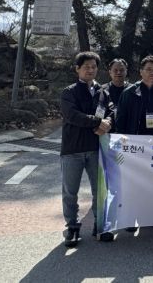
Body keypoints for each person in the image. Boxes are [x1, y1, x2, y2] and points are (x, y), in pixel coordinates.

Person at [60, 51, 114, 246]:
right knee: (70, 192)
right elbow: (72, 115)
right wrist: (99, 122)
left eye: (93, 67)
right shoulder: (69, 92)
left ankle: (100, 226)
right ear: (77, 69)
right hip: (72, 150)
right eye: (86, 67)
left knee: (100, 190)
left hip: (96, 149)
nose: (90, 70)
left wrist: (109, 122)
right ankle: (72, 227)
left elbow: (111, 111)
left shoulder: (102, 91)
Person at [115, 55, 153, 136]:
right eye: (148, 69)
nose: (152, 73)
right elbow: (120, 120)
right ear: (141, 72)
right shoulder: (129, 93)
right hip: (134, 138)